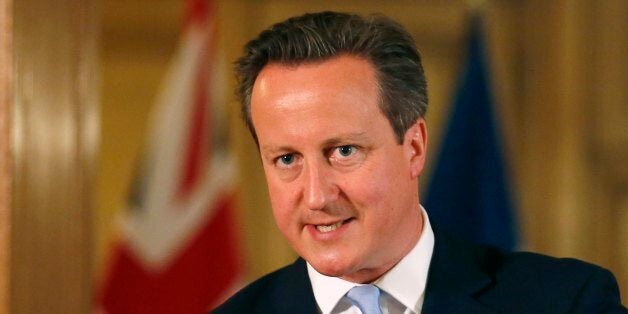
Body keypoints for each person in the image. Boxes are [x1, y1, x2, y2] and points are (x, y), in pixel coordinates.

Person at [213, 11, 625, 314]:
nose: (317, 196)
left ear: (414, 147)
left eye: (343, 151)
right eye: (287, 159)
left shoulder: (567, 302)